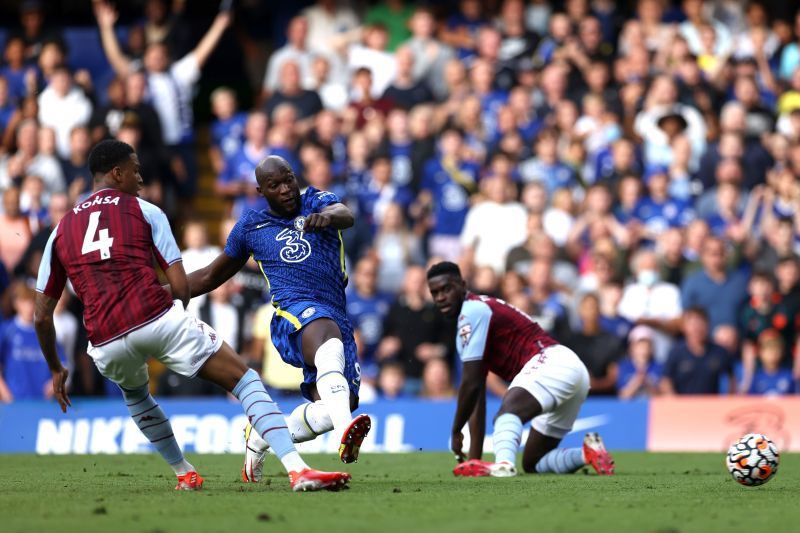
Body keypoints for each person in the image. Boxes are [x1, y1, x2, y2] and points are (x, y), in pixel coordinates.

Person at [34, 140, 349, 492]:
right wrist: (174, 317)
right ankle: (297, 470)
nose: (140, 178)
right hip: (155, 317)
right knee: (245, 380)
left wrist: (56, 368)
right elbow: (180, 283)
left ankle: (184, 472)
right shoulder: (145, 210)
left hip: (104, 339)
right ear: (116, 173)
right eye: (135, 170)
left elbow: (42, 316)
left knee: (137, 396)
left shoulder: (60, 230)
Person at [186, 155, 371, 482]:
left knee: (338, 403)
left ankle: (261, 436)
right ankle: (346, 431)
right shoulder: (250, 227)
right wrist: (157, 290)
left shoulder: (315, 199)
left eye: (289, 180)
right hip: (293, 312)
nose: (286, 189)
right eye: (276, 185)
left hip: (335, 313)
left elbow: (346, 215)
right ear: (261, 190)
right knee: (324, 331)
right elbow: (209, 276)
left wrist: (325, 218)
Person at [426, 261, 614, 478]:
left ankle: (504, 464)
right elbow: (476, 391)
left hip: (552, 361)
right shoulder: (472, 320)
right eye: (435, 293)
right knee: (534, 462)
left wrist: (456, 429)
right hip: (570, 372)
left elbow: (470, 383)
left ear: (462, 284)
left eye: (446, 289)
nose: (440, 297)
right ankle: (587, 454)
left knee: (508, 412)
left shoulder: (472, 311)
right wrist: (474, 460)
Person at [659, 307, 735, 395]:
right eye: (692, 324)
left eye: (700, 323)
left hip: (712, 406)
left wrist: (729, 399)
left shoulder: (720, 352)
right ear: (684, 327)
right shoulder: (676, 352)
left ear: (707, 325)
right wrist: (674, 402)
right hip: (683, 405)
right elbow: (666, 381)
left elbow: (731, 378)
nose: (696, 328)